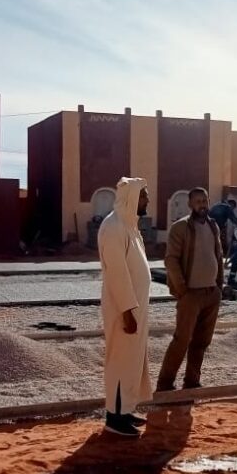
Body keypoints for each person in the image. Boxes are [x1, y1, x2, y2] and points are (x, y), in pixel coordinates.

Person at [97, 177, 152, 437]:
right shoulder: (113, 227)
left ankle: (125, 409)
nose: (148, 200)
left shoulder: (130, 226)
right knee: (120, 362)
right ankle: (115, 418)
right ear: (131, 198)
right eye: (144, 195)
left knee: (132, 362)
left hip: (135, 309)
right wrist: (128, 311)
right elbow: (117, 275)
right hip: (123, 311)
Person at [157, 187, 223, 392]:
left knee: (201, 341)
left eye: (205, 200)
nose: (202, 204)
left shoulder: (213, 226)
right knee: (182, 340)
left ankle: (192, 381)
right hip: (190, 295)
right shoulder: (180, 228)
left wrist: (219, 286)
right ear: (190, 204)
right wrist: (182, 289)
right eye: (198, 201)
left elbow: (219, 256)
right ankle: (165, 383)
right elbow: (171, 260)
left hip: (211, 293)